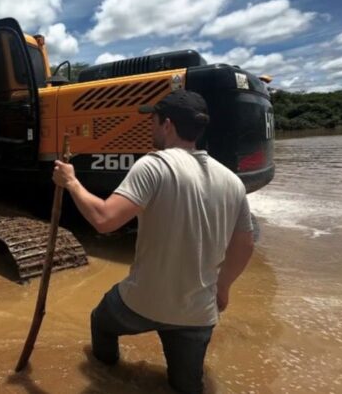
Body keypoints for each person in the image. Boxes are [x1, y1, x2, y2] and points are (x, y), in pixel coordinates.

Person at [52, 90, 254, 394]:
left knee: (101, 321)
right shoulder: (232, 181)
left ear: (168, 124)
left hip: (142, 302)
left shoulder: (154, 165)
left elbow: (105, 220)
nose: (151, 127)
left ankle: (106, 375)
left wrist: (71, 182)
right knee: (187, 387)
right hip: (199, 311)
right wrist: (222, 287)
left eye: (154, 120)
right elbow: (245, 245)